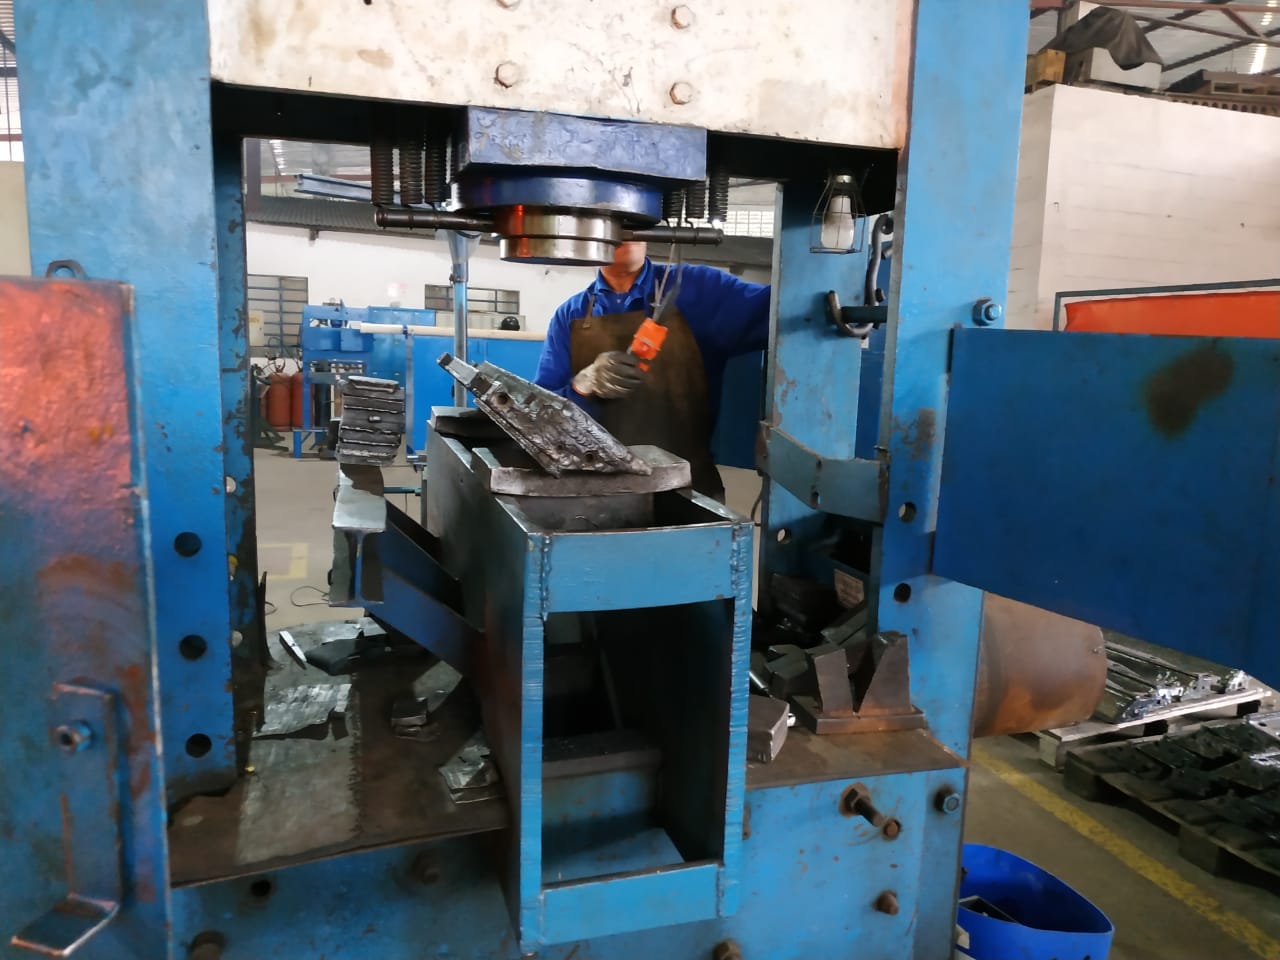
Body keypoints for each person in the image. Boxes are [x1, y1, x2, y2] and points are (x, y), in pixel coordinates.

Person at [533, 241, 770, 499]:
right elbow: (541, 418)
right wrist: (582, 385)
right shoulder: (570, 315)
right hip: (594, 495)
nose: (624, 232)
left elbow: (779, 312)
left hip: (686, 495)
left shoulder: (700, 291)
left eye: (631, 223)